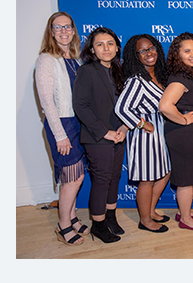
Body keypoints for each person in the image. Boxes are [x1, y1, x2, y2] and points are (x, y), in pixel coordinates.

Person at [35, 12, 88, 246]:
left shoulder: (74, 59)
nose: (64, 31)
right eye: (59, 27)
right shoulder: (47, 59)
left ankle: (72, 217)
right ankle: (63, 226)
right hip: (62, 124)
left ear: (74, 31)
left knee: (76, 175)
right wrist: (60, 135)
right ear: (51, 31)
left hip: (77, 123)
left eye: (68, 27)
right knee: (72, 178)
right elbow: (47, 102)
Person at [73, 27, 127, 243]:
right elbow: (81, 106)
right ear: (92, 50)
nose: (106, 48)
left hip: (120, 134)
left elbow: (127, 105)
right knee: (102, 180)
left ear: (116, 47)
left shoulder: (120, 70)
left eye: (110, 43)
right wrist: (106, 133)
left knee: (115, 178)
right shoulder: (87, 71)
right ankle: (98, 224)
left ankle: (110, 218)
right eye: (100, 44)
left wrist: (124, 127)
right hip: (97, 137)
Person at [115, 34, 171, 233]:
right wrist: (141, 123)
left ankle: (151, 210)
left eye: (152, 48)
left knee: (164, 173)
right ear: (135, 56)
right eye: (143, 51)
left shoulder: (158, 76)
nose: (149, 53)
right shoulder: (136, 81)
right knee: (147, 179)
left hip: (160, 134)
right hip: (144, 138)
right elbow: (121, 109)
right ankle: (145, 220)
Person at [159, 32, 193, 231]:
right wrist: (184, 120)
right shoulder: (179, 78)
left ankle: (184, 210)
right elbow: (165, 106)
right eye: (187, 51)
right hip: (183, 135)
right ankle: (186, 219)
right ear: (177, 54)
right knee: (188, 178)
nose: (192, 54)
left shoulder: (192, 74)